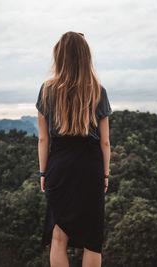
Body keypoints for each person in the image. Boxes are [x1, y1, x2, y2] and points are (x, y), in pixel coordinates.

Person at [36, 31, 112, 267]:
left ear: (59, 57)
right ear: (85, 57)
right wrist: (106, 173)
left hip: (60, 165)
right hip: (90, 166)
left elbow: (43, 139)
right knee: (92, 239)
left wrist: (43, 172)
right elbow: (105, 142)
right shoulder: (98, 90)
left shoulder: (47, 90)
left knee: (59, 237)